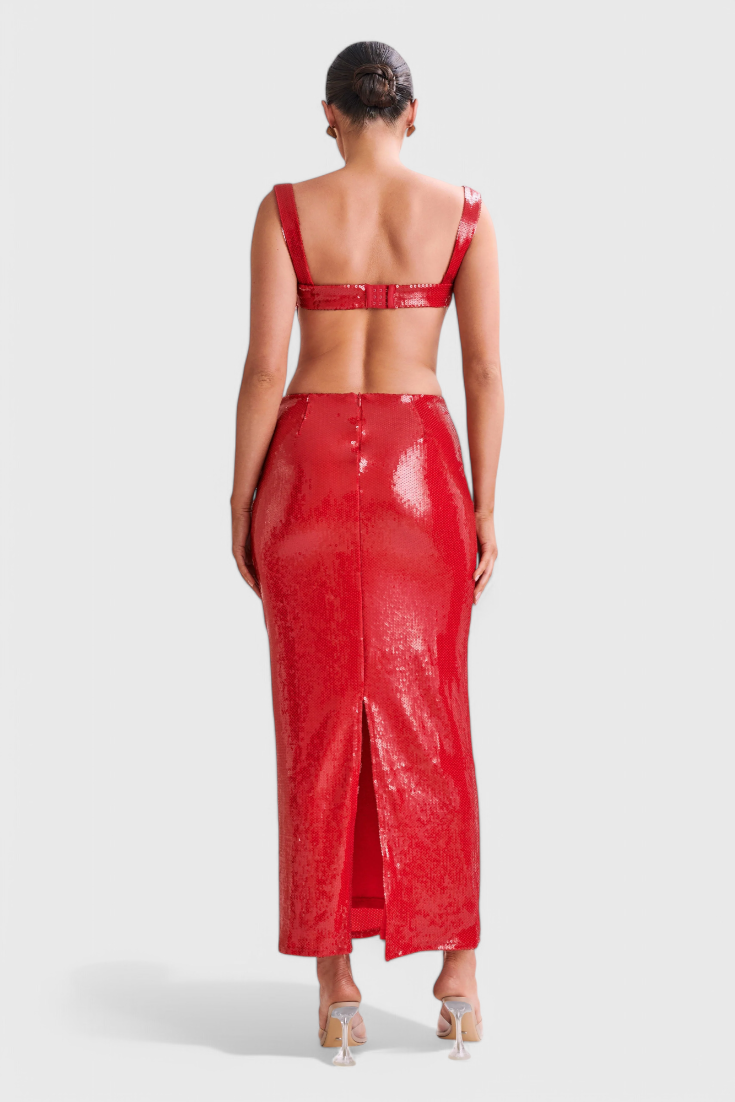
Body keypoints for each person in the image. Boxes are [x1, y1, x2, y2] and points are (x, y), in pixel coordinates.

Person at [231, 40, 503, 1062]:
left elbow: (264, 370)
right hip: (419, 474)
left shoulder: (286, 211)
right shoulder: (462, 213)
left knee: (316, 725)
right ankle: (459, 977)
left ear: (329, 115)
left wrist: (241, 496)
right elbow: (483, 369)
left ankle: (336, 986)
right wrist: (486, 505)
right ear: (413, 113)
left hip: (304, 467)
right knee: (434, 714)